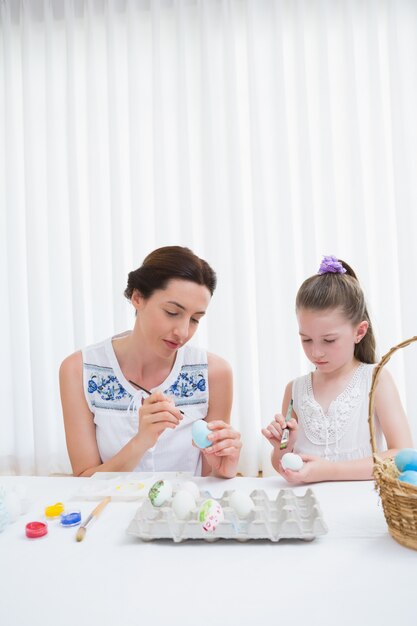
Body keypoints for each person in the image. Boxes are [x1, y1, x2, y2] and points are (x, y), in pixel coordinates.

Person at [60, 246, 242, 478]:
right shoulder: (79, 370)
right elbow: (85, 479)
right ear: (138, 298)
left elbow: (210, 478)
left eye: (195, 319)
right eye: (172, 312)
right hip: (113, 511)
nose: (183, 332)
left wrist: (224, 467)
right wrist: (141, 441)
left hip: (185, 513)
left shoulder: (214, 373)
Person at [262, 255, 413, 484]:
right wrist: (283, 448)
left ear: (359, 332)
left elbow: (401, 456)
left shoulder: (375, 380)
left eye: (329, 340)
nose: (316, 352)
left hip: (360, 506)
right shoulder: (295, 389)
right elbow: (283, 465)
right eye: (306, 340)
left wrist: (330, 471)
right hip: (307, 507)